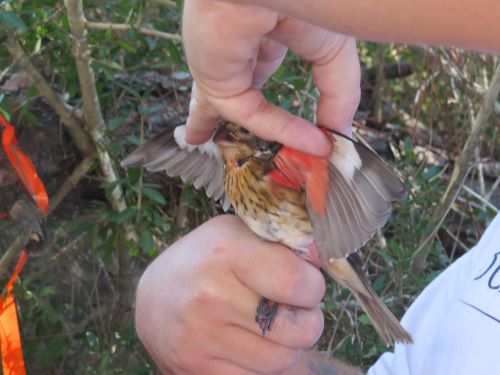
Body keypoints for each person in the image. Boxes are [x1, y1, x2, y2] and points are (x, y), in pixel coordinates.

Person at [135, 0, 500, 373]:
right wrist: (178, 316)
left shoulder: (285, 166)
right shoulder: (236, 170)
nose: (225, 139)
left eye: (238, 133)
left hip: (320, 245)